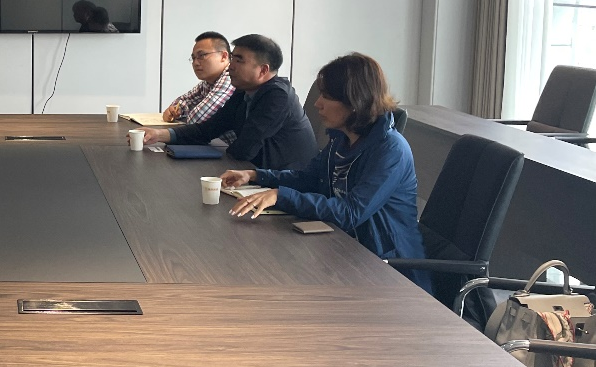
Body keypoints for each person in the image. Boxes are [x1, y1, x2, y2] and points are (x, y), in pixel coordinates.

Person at [220, 53, 431, 293]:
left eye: (327, 97)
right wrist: (256, 176)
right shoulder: (342, 138)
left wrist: (280, 196)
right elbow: (309, 178)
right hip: (344, 250)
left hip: (387, 270)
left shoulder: (391, 149)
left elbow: (351, 212)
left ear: (355, 101)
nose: (318, 104)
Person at [143, 33, 317, 170]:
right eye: (233, 58)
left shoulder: (277, 96)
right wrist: (159, 135)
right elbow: (208, 129)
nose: (231, 66)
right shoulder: (243, 91)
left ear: (263, 70)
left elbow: (245, 149)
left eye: (239, 60)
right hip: (255, 173)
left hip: (284, 184)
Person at [160, 32, 236, 144]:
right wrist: (176, 111)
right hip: (218, 146)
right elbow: (181, 102)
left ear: (224, 56)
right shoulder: (208, 82)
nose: (195, 63)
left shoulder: (230, 78)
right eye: (193, 58)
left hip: (236, 152)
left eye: (202, 56)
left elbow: (196, 120)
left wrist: (182, 113)